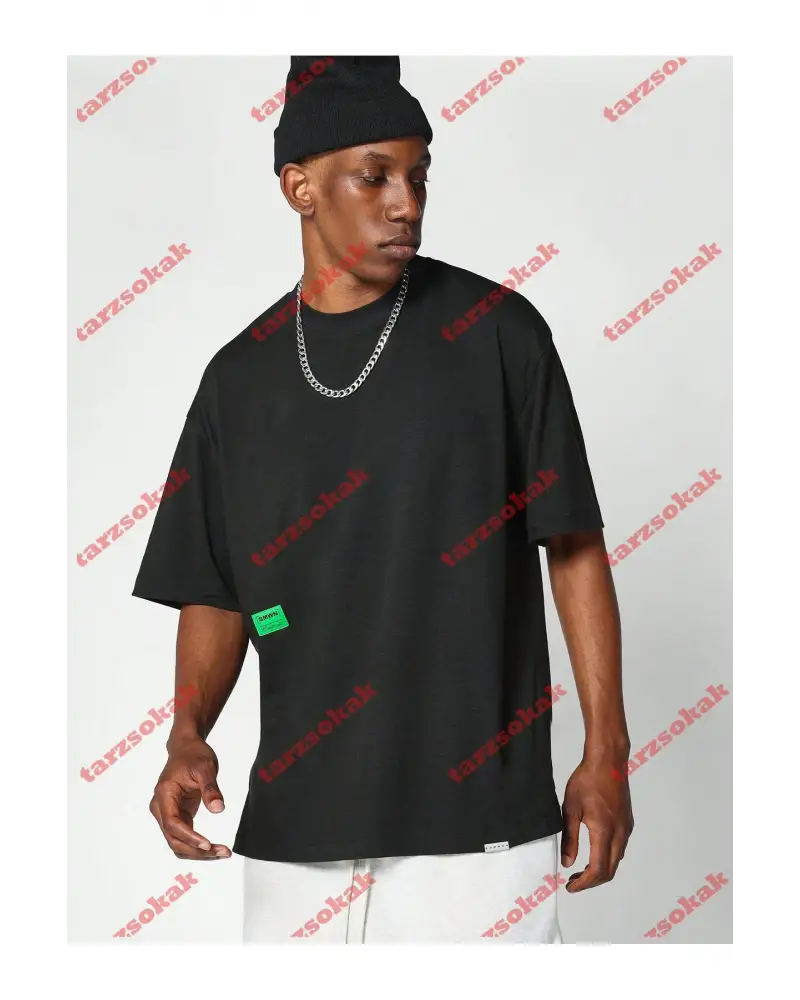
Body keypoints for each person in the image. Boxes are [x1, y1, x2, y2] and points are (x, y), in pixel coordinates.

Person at [133, 54, 633, 944]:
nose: (406, 202)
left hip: (476, 841)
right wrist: (186, 733)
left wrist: (608, 751)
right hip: (294, 845)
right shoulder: (236, 380)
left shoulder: (499, 333)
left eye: (419, 176)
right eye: (375, 176)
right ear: (300, 187)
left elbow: (574, 547)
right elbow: (217, 588)